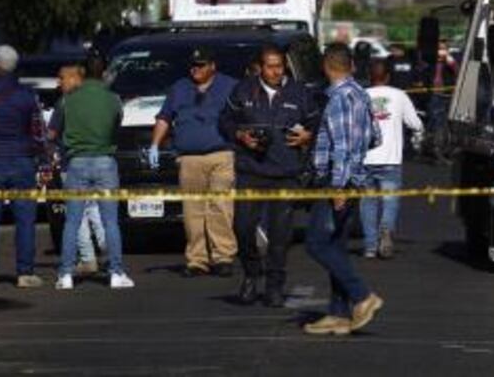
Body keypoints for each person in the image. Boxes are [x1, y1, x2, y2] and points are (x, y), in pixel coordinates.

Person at [220, 44, 319, 307]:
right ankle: (251, 275)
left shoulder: (300, 93)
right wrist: (240, 135)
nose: (276, 71)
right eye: (270, 66)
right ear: (260, 67)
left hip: (286, 173)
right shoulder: (243, 90)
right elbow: (225, 122)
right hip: (251, 171)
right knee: (242, 228)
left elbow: (317, 123)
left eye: (280, 66)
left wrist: (309, 136)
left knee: (280, 235)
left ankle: (275, 285)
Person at [303, 43, 384, 336]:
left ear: (326, 67)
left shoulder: (339, 98)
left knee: (316, 243)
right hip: (354, 178)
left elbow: (343, 145)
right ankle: (338, 313)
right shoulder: (361, 94)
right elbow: (374, 137)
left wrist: (338, 184)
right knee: (335, 245)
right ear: (350, 65)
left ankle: (362, 296)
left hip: (340, 182)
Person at [149, 47, 238, 277]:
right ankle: (197, 260)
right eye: (193, 65)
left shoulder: (230, 86)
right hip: (189, 158)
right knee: (192, 211)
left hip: (221, 155)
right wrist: (155, 145)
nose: (195, 69)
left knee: (220, 207)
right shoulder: (179, 88)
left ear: (212, 66)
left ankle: (223, 256)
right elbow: (164, 118)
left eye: (201, 65)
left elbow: (243, 116)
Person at [54, 50, 133, 290]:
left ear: (84, 71)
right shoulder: (113, 99)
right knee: (110, 222)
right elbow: (116, 124)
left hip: (76, 161)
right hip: (105, 161)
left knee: (72, 222)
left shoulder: (67, 99)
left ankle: (65, 275)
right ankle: (116, 272)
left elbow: (58, 127)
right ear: (105, 72)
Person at [0, 45, 45, 290]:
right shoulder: (27, 95)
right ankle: (25, 273)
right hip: (22, 160)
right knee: (25, 219)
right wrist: (40, 157)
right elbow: (38, 131)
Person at [361, 59, 423, 259]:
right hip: (390, 159)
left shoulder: (361, 96)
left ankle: (370, 247)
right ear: (388, 76)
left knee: (367, 203)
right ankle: (386, 230)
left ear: (370, 77)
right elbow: (415, 123)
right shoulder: (399, 95)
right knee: (390, 200)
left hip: (365, 159)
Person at [48, 62, 105, 275]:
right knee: (96, 209)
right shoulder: (100, 100)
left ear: (74, 79)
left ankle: (88, 259)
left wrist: (48, 148)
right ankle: (108, 247)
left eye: (62, 78)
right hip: (100, 162)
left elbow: (52, 134)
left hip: (73, 164)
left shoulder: (65, 103)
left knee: (78, 213)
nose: (59, 82)